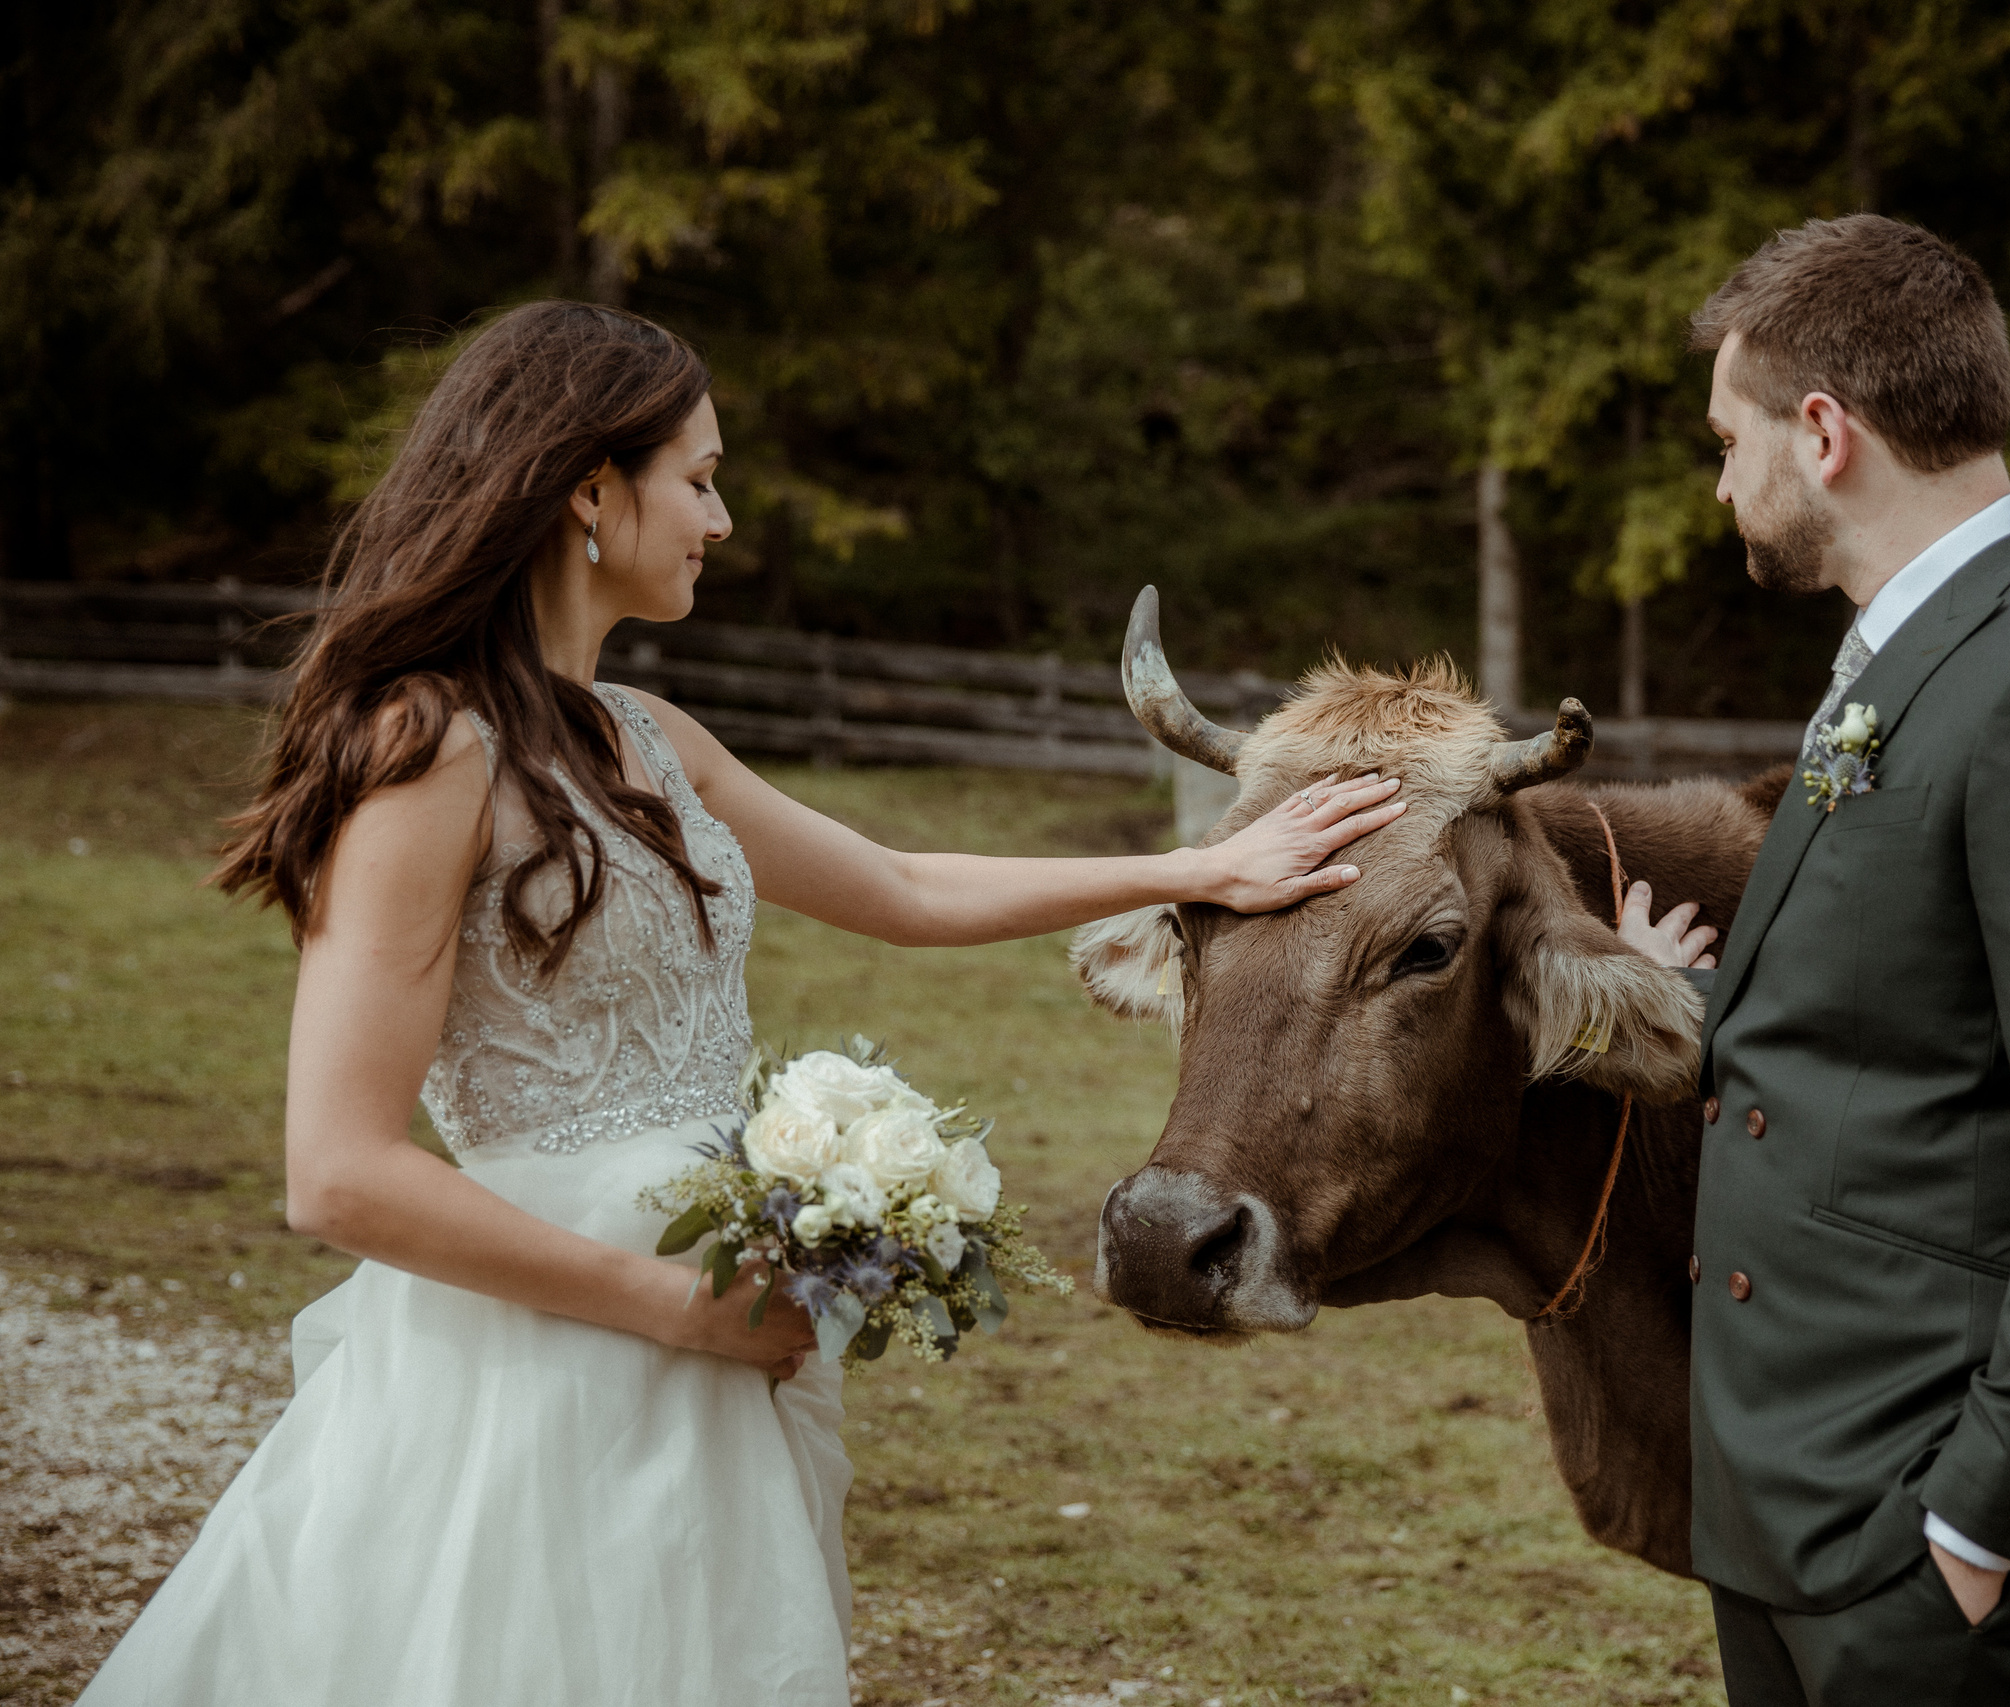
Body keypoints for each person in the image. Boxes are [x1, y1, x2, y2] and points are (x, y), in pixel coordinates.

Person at [77, 300, 1405, 1707]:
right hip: (548, 1355)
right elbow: (335, 1173)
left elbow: (902, 885)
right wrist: (669, 1306)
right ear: (591, 489)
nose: (719, 518)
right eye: (698, 478)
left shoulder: (651, 739)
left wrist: (1206, 868)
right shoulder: (424, 750)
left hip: (718, 1334)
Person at [1614, 215, 2010, 1705]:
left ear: (1821, 434)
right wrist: (1686, 1000)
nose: (1721, 482)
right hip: (1800, 1509)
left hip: (1945, 1552)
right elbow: (1914, 1028)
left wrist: (1975, 1526)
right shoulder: (1918, 650)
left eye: (1728, 437)